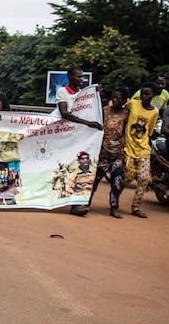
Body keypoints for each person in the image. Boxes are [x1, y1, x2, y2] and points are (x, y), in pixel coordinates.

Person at [55, 66, 103, 216]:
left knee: (81, 167)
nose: (81, 79)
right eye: (78, 77)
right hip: (64, 137)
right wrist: (86, 123)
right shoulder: (62, 92)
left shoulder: (85, 94)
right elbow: (64, 113)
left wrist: (95, 94)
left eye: (82, 77)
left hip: (80, 138)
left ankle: (77, 203)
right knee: (65, 168)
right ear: (69, 77)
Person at [89, 87, 130, 218]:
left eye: (118, 98)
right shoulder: (105, 110)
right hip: (103, 152)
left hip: (117, 153)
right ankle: (86, 202)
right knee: (96, 179)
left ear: (124, 100)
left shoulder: (126, 114)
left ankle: (113, 207)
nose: (115, 100)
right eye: (113, 97)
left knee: (116, 181)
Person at [121, 82, 159, 218]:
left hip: (143, 148)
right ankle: (114, 199)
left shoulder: (155, 111)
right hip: (128, 147)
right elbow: (122, 114)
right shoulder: (132, 104)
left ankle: (136, 206)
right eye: (142, 93)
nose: (144, 96)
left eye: (147, 94)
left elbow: (149, 130)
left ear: (153, 95)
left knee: (144, 178)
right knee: (128, 177)